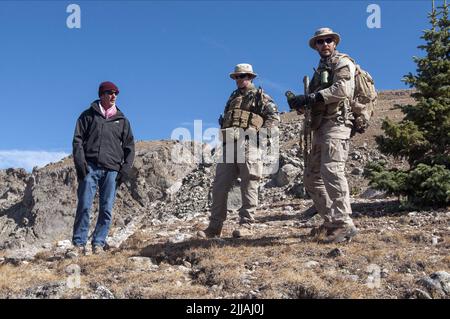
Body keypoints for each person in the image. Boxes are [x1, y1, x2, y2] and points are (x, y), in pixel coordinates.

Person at [286, 28, 358, 243]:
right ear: (316, 46)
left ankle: (344, 223)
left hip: (336, 125)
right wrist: (301, 103)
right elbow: (316, 102)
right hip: (319, 127)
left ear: (334, 43)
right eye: (320, 42)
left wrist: (312, 96)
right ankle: (331, 222)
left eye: (328, 40)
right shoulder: (320, 69)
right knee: (311, 178)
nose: (324, 44)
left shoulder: (343, 62)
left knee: (332, 172)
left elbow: (343, 89)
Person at [198, 63, 280, 239]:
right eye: (237, 76)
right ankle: (214, 227)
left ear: (251, 77)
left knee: (249, 184)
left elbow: (273, 118)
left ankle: (247, 225)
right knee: (220, 186)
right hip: (229, 145)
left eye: (243, 76)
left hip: (249, 145)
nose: (240, 79)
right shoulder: (232, 98)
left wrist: (259, 136)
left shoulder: (261, 97)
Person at [71, 81, 135, 255]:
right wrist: (81, 165)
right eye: (110, 92)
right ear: (101, 95)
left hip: (112, 170)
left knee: (106, 208)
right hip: (90, 167)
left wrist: (125, 170)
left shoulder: (122, 120)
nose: (114, 95)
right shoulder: (87, 116)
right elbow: (77, 141)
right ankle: (79, 244)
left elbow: (129, 147)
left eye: (116, 93)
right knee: (84, 205)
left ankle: (98, 242)